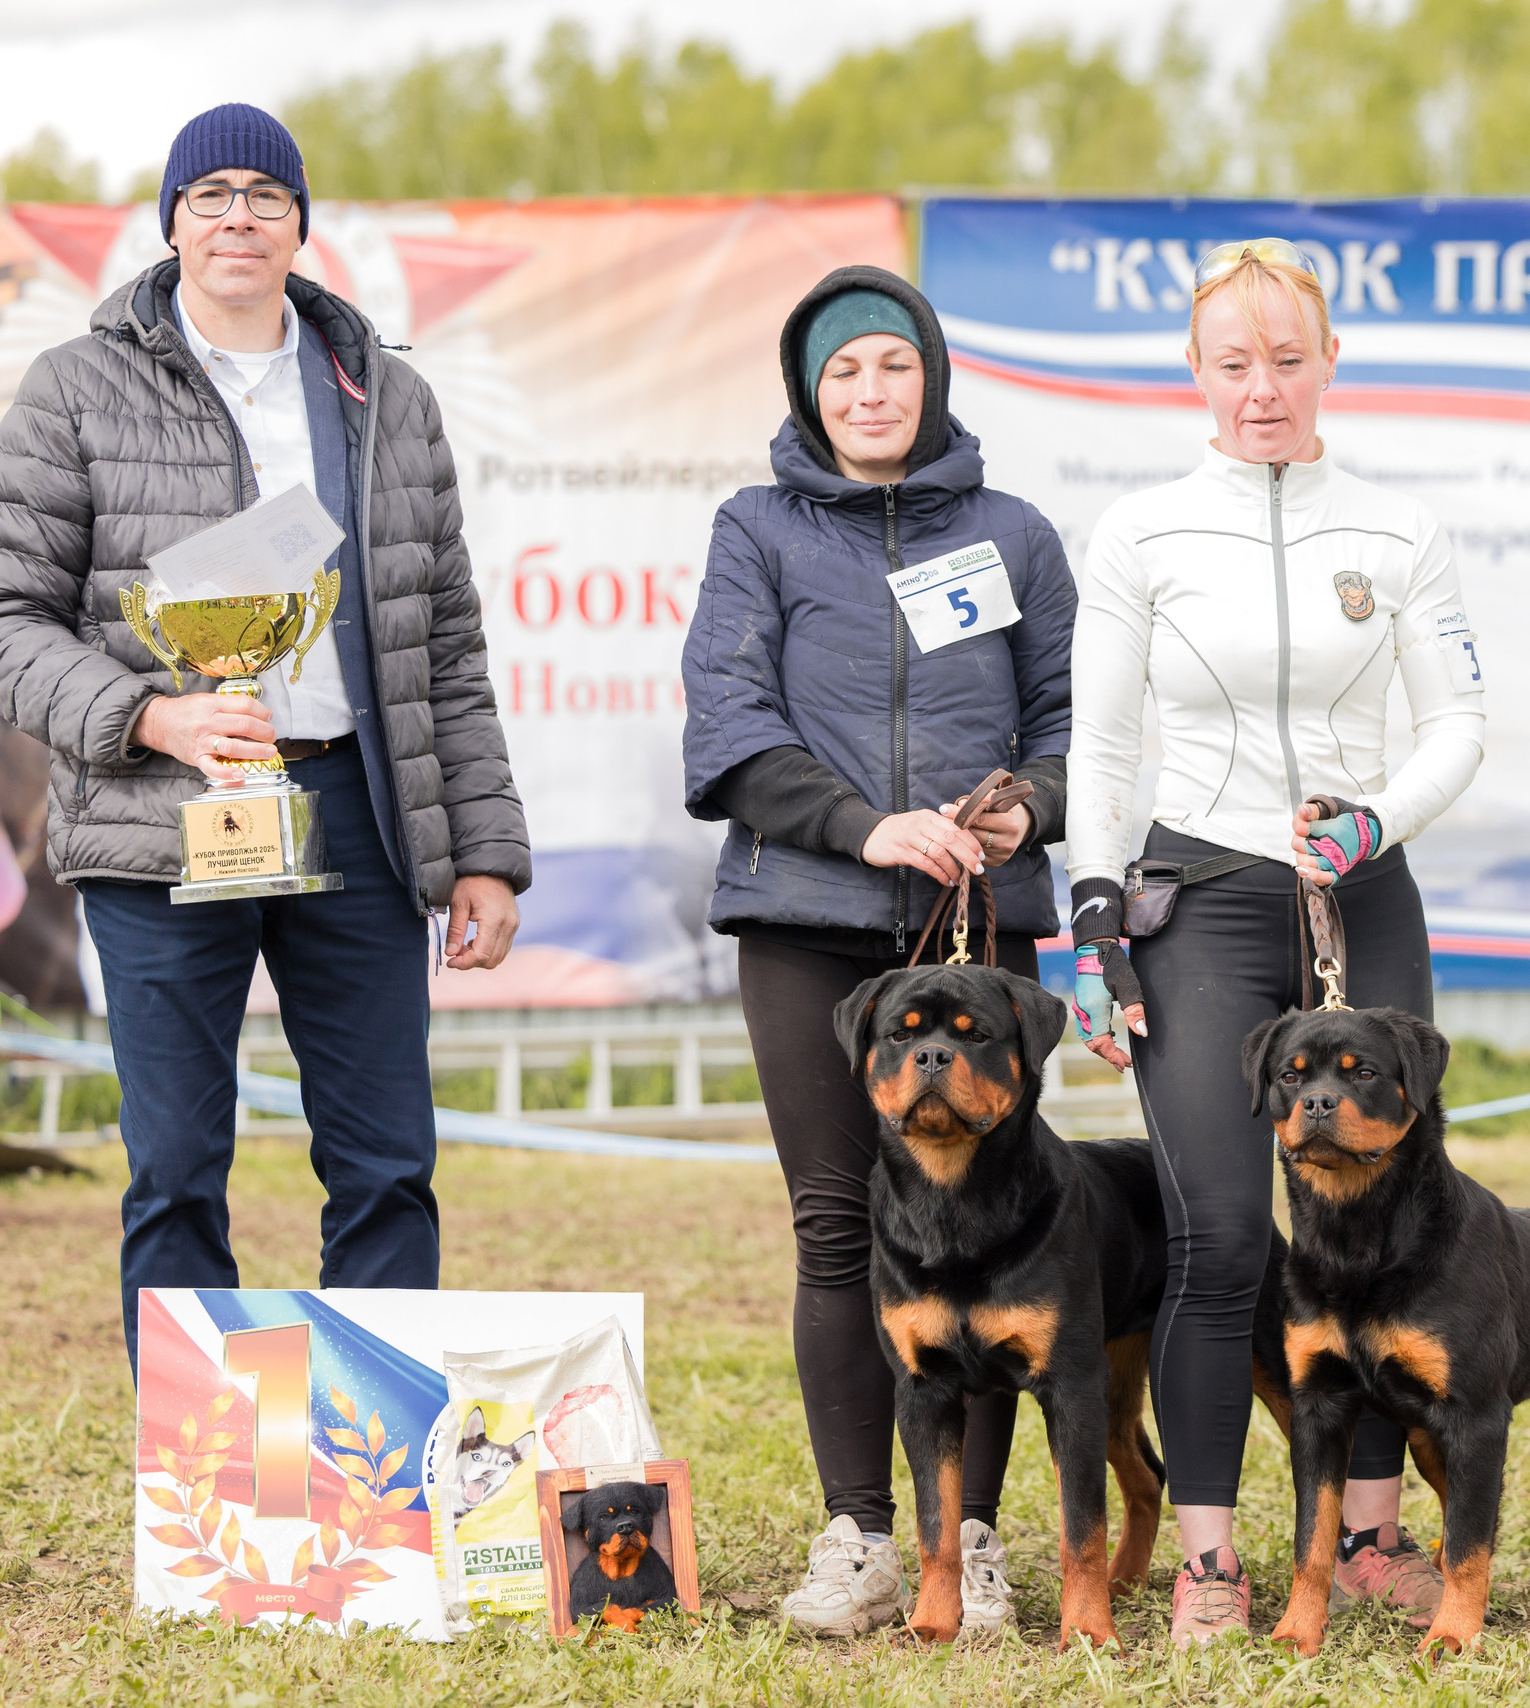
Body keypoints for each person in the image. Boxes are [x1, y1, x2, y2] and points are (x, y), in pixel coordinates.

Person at [0, 104, 529, 1374]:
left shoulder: (386, 395)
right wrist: (151, 715)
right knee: (174, 1166)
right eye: (209, 194)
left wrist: (485, 849)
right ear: (171, 221)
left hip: (357, 817)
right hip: (158, 821)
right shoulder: (75, 387)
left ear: (300, 225)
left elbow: (441, 641)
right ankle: (211, 1468)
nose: (238, 217)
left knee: (387, 1162)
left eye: (266, 196)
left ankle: (370, 1448)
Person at [1062, 240, 1489, 1643]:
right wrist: (1093, 920)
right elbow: (1101, 745)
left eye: (1289, 360)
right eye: (1235, 363)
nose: (1263, 389)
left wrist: (1376, 825)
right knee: (1225, 1232)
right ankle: (1209, 1561)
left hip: (1363, 886)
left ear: (1329, 363)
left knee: (1386, 1227)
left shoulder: (1399, 530)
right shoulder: (1141, 534)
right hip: (1202, 894)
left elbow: (1458, 725)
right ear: (1195, 372)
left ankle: (1368, 1537)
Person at [682, 265, 1077, 1636]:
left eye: (893, 365)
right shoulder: (755, 529)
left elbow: (1070, 721)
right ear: (809, 391)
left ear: (933, 376)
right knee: (837, 1224)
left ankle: (971, 1541)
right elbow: (728, 723)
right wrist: (866, 828)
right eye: (842, 370)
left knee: (997, 1232)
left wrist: (1030, 805)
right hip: (806, 924)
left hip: (980, 932)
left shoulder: (1017, 534)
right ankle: (856, 1534)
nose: (869, 391)